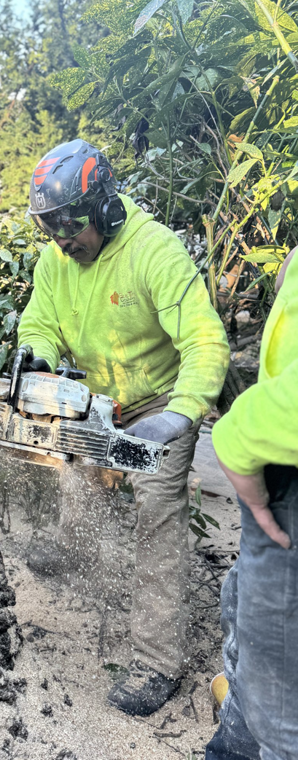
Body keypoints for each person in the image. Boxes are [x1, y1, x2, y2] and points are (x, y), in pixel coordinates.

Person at [17, 139, 230, 716]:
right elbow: (40, 319)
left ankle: (156, 661)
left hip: (160, 402)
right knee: (79, 487)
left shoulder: (155, 252)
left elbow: (206, 340)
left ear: (106, 206)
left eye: (72, 225)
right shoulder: (55, 260)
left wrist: (182, 412)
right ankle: (77, 552)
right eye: (51, 228)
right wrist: (35, 356)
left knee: (157, 524)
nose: (64, 240)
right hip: (96, 396)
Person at [205, 246, 298, 760]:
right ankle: (237, 733)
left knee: (281, 713)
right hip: (276, 449)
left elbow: (202, 341)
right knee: (240, 599)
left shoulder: (152, 252)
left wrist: (236, 435)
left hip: (278, 448)